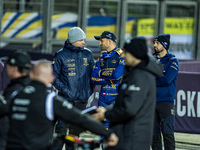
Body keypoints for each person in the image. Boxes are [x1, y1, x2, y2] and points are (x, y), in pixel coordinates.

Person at [6, 60, 118, 150]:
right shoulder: (49, 99)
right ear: (51, 79)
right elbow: (79, 118)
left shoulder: (15, 95)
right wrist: (107, 133)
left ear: (31, 75)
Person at [92, 37, 163, 150]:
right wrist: (107, 110)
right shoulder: (132, 73)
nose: (122, 55)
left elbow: (129, 108)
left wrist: (106, 115)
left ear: (135, 54)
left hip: (132, 140)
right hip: (124, 137)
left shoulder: (141, 76)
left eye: (126, 52)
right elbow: (123, 102)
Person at [52, 27, 95, 150]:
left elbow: (93, 75)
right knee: (61, 131)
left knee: (75, 134)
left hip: (82, 101)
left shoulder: (88, 54)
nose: (83, 42)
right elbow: (54, 76)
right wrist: (66, 91)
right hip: (65, 100)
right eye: (81, 39)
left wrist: (89, 91)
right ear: (73, 40)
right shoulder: (60, 55)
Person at [91, 31, 125, 129]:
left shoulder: (121, 55)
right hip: (102, 96)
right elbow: (93, 78)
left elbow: (117, 75)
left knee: (116, 126)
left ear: (109, 41)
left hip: (116, 96)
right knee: (102, 127)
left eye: (102, 41)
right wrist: (109, 80)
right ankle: (103, 145)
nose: (99, 43)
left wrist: (101, 73)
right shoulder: (101, 57)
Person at [152, 34, 179, 150]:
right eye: (154, 43)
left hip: (165, 102)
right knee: (153, 136)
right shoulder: (151, 59)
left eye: (157, 43)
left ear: (164, 45)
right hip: (151, 102)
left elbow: (167, 79)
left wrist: (151, 80)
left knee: (167, 133)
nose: (154, 45)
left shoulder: (172, 61)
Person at [0, 50, 32, 150]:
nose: (7, 68)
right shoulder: (31, 88)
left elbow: (3, 109)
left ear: (14, 68)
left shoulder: (15, 91)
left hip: (10, 142)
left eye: (8, 65)